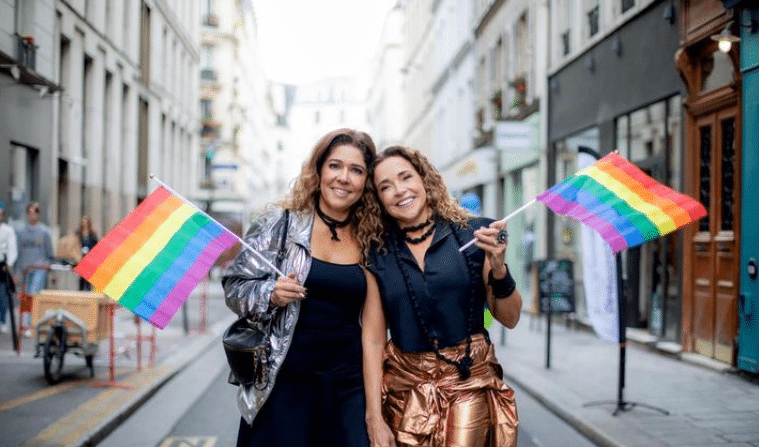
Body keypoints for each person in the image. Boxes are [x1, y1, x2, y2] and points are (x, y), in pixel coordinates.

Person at [222, 128, 379, 447]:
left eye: (356, 170)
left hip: (348, 388)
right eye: (335, 165)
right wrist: (271, 294)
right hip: (285, 383)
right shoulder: (281, 223)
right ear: (319, 170)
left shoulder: (373, 235)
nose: (344, 177)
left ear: (367, 181)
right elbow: (235, 287)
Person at [362, 146, 523, 447]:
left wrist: (499, 269)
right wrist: (374, 416)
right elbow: (372, 340)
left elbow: (510, 317)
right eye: (385, 187)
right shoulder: (377, 253)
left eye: (405, 177)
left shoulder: (475, 234)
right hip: (405, 394)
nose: (399, 190)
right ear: (378, 200)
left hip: (468, 384)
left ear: (424, 179)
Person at [0, 201, 18, 333]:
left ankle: (2, 320)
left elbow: (12, 249)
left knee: (3, 294)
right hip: (23, 268)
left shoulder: (8, 230)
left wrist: (9, 264)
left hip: (2, 265)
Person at [76, 216, 98, 290]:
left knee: (88, 281)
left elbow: (95, 246)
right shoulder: (79, 234)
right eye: (83, 222)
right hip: (81, 259)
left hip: (89, 259)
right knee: (81, 281)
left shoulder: (92, 235)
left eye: (86, 222)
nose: (84, 224)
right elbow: (75, 245)